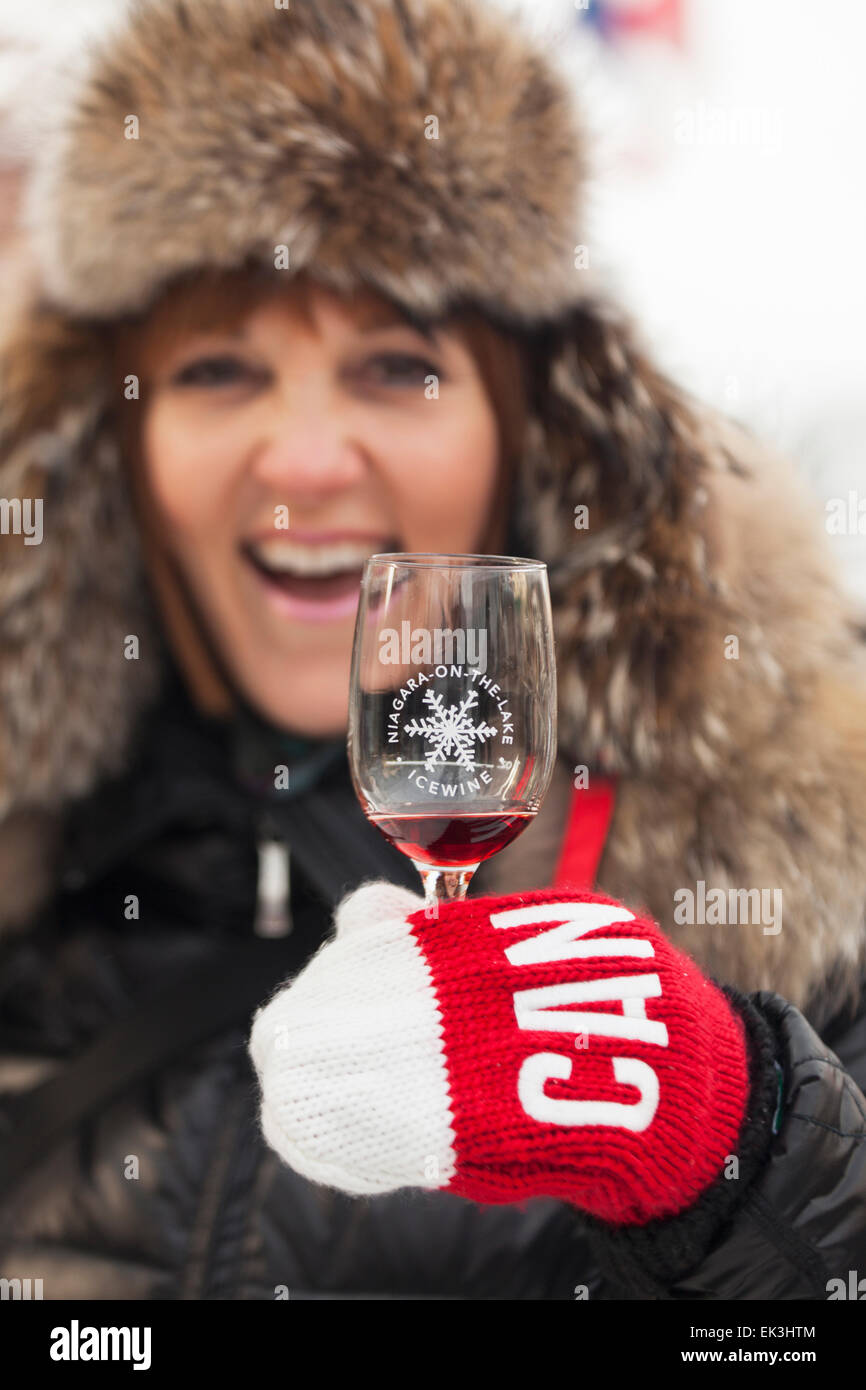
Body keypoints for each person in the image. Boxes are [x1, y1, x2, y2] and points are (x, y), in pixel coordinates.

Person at [0, 0, 864, 1302]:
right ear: (110, 439)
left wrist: (749, 1158)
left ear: (534, 427)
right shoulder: (36, 858)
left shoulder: (810, 858)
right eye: (220, 369)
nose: (299, 458)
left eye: (396, 367)